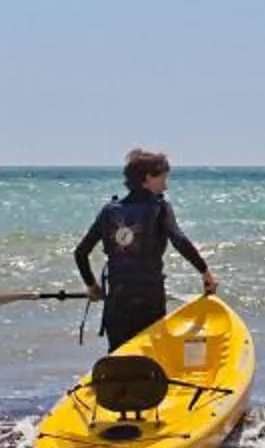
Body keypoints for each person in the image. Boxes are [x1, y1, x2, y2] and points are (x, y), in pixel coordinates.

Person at [72, 148, 218, 350]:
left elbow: (80, 253)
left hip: (118, 299)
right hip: (149, 298)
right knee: (152, 356)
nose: (166, 185)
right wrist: (205, 272)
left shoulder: (109, 211)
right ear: (148, 178)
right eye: (163, 178)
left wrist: (92, 286)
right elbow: (179, 240)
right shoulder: (159, 207)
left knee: (119, 358)